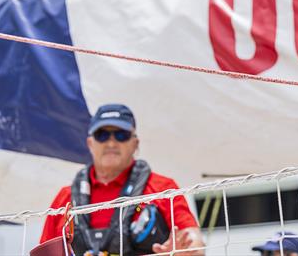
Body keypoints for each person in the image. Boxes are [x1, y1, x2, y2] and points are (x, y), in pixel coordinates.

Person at [39, 104, 205, 256]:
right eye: (102, 135)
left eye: (121, 135)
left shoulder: (163, 188)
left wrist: (185, 252)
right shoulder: (65, 198)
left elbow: (194, 241)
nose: (111, 143)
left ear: (135, 143)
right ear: (90, 143)